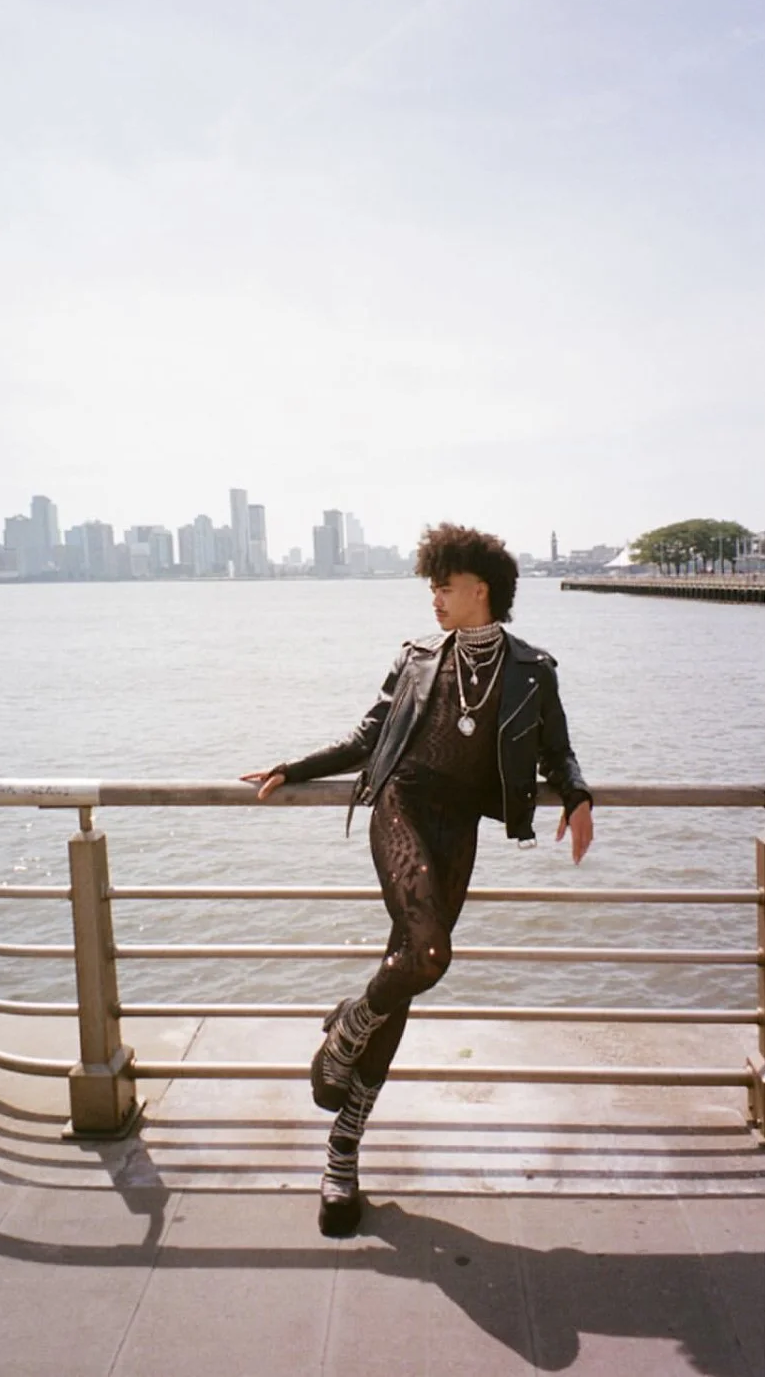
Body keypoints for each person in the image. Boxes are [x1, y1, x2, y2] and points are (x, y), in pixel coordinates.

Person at [241, 524, 593, 1238]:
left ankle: (342, 1150)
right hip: (401, 807)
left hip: (458, 827)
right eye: (431, 586)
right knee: (428, 955)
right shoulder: (416, 657)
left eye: (443, 585)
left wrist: (578, 797)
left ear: (479, 589)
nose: (433, 597)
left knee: (404, 972)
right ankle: (346, 1032)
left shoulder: (531, 669)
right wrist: (294, 767)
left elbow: (555, 751)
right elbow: (368, 737)